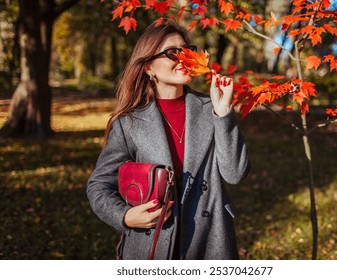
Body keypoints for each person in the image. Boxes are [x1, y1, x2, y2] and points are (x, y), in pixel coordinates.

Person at [86, 20, 250, 260]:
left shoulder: (211, 108)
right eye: (172, 53)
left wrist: (223, 113)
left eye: (187, 50)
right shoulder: (129, 123)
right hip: (152, 242)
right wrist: (125, 216)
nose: (183, 58)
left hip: (210, 243)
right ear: (149, 67)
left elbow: (235, 174)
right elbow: (98, 186)